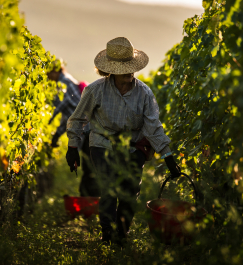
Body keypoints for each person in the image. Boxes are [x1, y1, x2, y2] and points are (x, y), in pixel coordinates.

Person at [66, 37, 180, 244]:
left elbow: (153, 127)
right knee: (109, 186)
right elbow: (78, 119)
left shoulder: (144, 93)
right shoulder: (95, 90)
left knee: (130, 190)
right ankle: (107, 233)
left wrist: (168, 156)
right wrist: (72, 146)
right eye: (123, 68)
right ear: (112, 71)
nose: (129, 71)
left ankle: (122, 232)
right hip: (102, 143)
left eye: (131, 67)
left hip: (133, 146)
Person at [47, 62, 100, 197]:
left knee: (91, 168)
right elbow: (68, 116)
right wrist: (56, 135)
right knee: (90, 166)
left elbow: (57, 108)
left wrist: (47, 122)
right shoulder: (68, 81)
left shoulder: (63, 83)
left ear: (55, 71)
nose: (47, 77)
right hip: (89, 131)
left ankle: (91, 201)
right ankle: (88, 199)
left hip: (89, 132)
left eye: (48, 74)